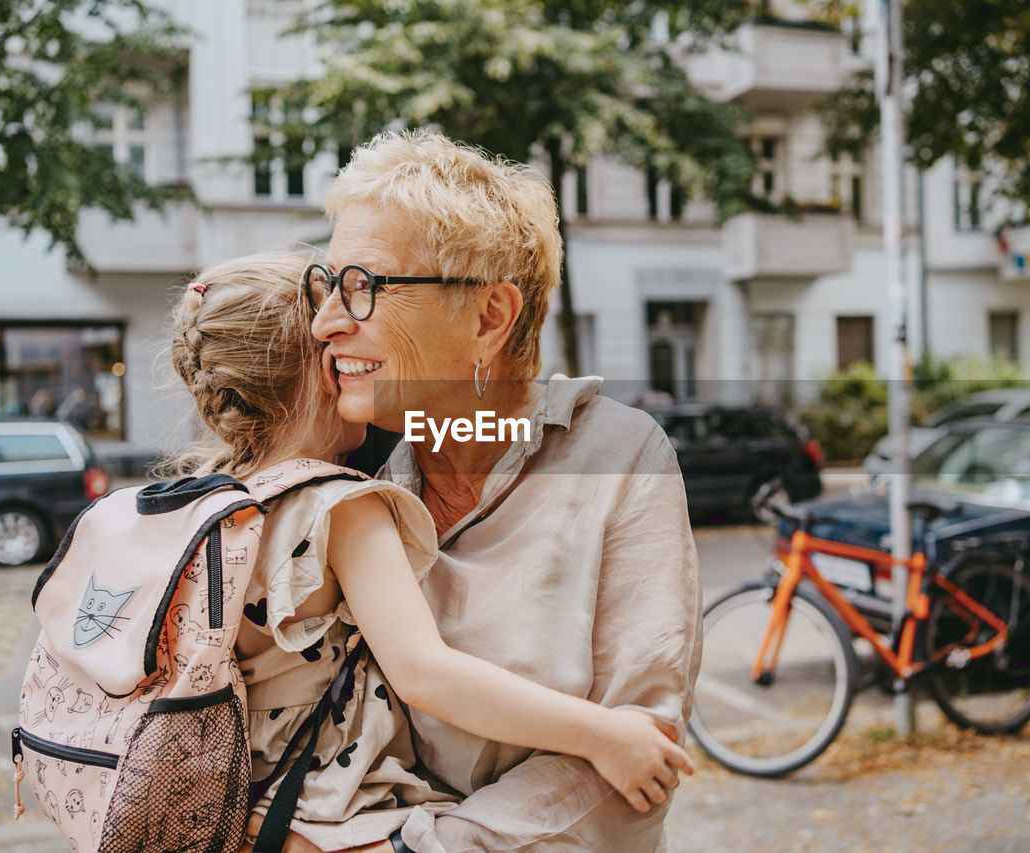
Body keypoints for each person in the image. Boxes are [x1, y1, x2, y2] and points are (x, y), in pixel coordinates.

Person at [168, 252, 693, 853]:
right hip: (326, 816)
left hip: (241, 800)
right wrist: (603, 735)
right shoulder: (341, 509)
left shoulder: (208, 504)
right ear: (323, 370)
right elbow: (424, 672)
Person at [311, 130, 702, 851]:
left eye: (365, 286)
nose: (327, 320)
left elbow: (638, 759)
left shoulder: (620, 458)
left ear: (488, 318)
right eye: (327, 283)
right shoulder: (351, 490)